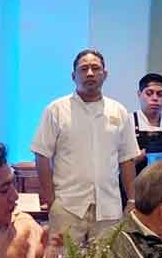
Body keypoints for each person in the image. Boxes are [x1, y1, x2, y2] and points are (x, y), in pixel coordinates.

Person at [32, 49, 140, 243]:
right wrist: (51, 201)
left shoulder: (119, 111)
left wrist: (131, 200)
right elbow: (42, 156)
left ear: (105, 74)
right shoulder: (56, 110)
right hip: (67, 207)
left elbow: (127, 159)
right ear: (74, 76)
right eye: (83, 69)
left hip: (109, 208)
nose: (90, 73)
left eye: (95, 68)